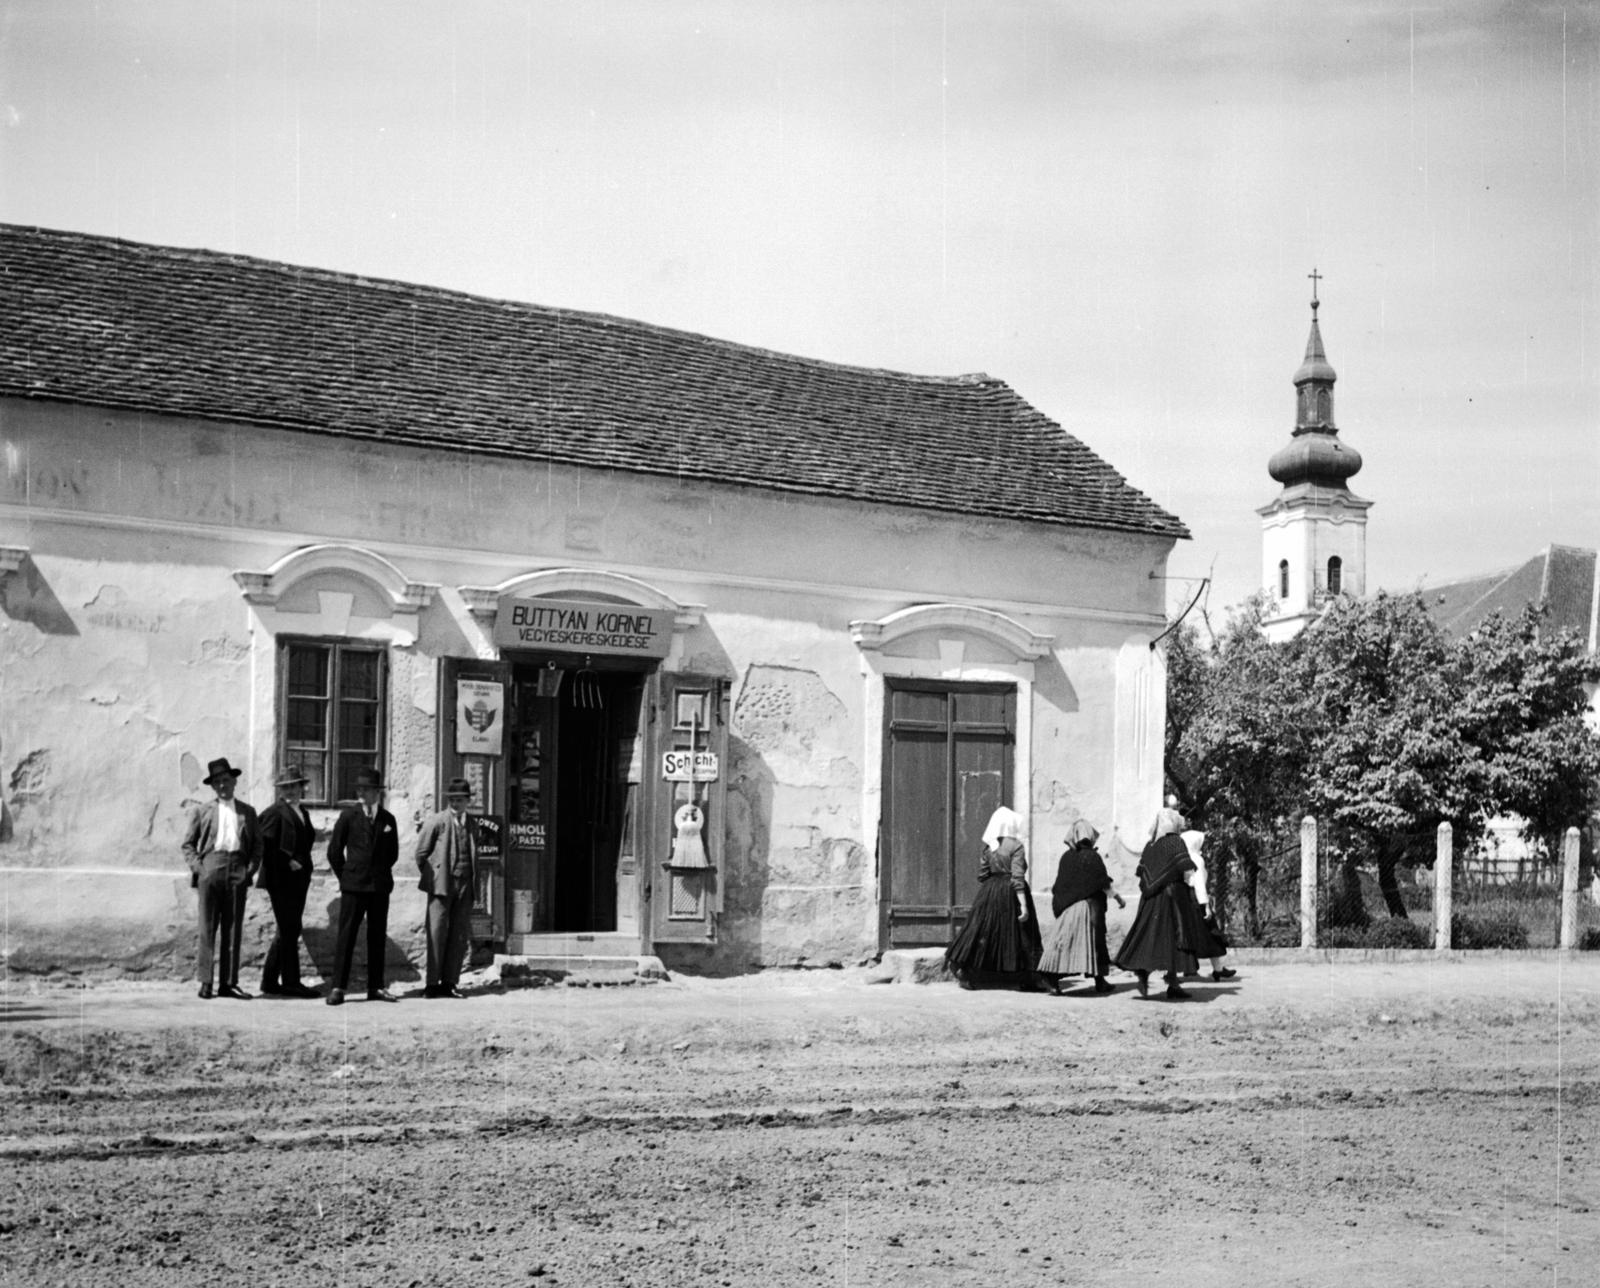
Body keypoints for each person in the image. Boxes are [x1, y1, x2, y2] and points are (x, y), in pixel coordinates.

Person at [181, 757, 262, 1000]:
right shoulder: (202, 811)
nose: (222, 785)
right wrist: (199, 869)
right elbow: (188, 844)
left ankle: (228, 983)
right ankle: (206, 981)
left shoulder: (248, 812)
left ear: (234, 781)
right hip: (211, 870)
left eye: (226, 780)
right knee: (207, 928)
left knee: (233, 928)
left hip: (237, 869)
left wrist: (249, 871)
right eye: (217, 782)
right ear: (213, 786)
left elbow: (258, 845)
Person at [944, 806, 1044, 991]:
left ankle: (967, 972)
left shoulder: (989, 847)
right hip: (1011, 892)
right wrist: (1023, 905)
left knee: (983, 930)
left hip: (990, 890)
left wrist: (992, 883)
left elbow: (982, 874)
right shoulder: (1016, 846)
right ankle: (1025, 977)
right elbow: (1017, 877)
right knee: (1021, 934)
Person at [1112, 807, 1205, 1000]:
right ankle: (1172, 983)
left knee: (1150, 937)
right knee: (1174, 939)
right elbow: (1187, 871)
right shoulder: (1175, 842)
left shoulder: (1150, 846)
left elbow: (1143, 873)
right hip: (1172, 897)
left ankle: (1147, 974)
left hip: (1150, 899)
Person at [325, 767, 400, 1005]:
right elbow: (334, 852)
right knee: (346, 936)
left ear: (378, 793)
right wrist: (347, 877)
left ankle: (375, 987)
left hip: (379, 887)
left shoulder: (388, 820)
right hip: (354, 887)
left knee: (377, 936)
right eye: (362, 790)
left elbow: (393, 854)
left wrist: (378, 872)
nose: (366, 794)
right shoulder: (349, 816)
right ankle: (338, 987)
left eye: (370, 790)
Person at [1037, 819, 1126, 995]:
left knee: (1064, 946)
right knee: (1095, 944)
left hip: (1067, 910)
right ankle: (1099, 981)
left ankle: (1054, 980)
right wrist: (1118, 899)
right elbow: (1103, 883)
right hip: (1088, 908)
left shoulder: (1066, 857)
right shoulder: (1092, 856)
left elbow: (1060, 886)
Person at [256, 766, 321, 998]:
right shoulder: (275, 812)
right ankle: (291, 982)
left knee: (288, 928)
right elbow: (265, 845)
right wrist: (288, 862)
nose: (290, 791)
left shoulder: (302, 811)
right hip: (281, 879)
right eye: (286, 787)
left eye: (294, 786)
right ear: (280, 790)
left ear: (301, 787)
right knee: (289, 928)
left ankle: (270, 981)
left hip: (299, 879)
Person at [415, 777, 478, 999]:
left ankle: (450, 982)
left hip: (465, 884)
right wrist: (434, 876)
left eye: (460, 800)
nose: (456, 804)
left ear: (468, 801)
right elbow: (421, 854)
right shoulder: (437, 821)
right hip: (441, 885)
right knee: (436, 932)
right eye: (452, 800)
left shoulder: (472, 824)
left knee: (459, 935)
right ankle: (432, 984)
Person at [1181, 829, 1236, 982]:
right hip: (1197, 900)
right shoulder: (1196, 859)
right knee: (1211, 932)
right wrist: (1205, 905)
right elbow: (1198, 884)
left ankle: (1189, 969)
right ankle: (1218, 969)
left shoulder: (1181, 858)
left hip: (1186, 899)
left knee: (1188, 934)